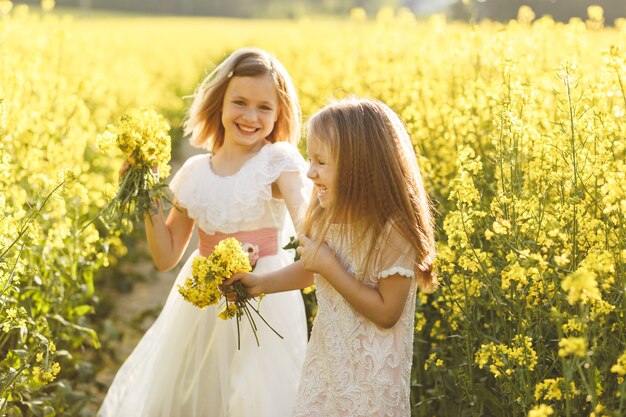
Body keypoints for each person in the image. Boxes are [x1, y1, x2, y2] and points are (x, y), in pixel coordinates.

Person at [98, 47, 310, 417]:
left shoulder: (278, 161)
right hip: (200, 300)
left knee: (252, 398)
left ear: (279, 114)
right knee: (194, 397)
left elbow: (307, 226)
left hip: (263, 299)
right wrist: (146, 191)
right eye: (239, 102)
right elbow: (166, 257)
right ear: (220, 103)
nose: (250, 116)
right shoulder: (195, 171)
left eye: (264, 107)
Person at [226, 97, 437, 417]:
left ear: (359, 168)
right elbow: (314, 269)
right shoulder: (331, 216)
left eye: (321, 162)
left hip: (369, 382)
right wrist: (258, 284)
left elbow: (386, 312)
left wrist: (329, 265)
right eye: (310, 160)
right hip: (325, 367)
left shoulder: (394, 230)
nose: (309, 173)